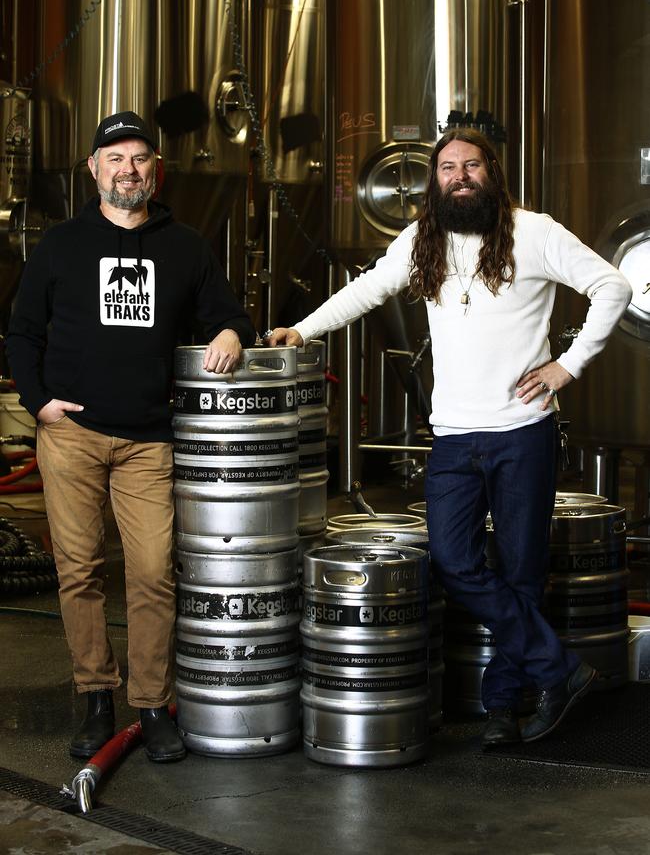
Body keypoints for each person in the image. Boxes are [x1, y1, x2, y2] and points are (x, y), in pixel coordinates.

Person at [268, 127, 632, 748]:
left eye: (471, 165)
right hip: (456, 438)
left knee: (521, 572)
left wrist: (566, 367)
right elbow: (367, 289)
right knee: (456, 563)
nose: (459, 176)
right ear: (434, 182)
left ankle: (501, 710)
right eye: (446, 169)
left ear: (492, 171)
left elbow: (614, 286)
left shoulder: (534, 232)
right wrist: (302, 331)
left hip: (523, 432)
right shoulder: (421, 240)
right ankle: (559, 670)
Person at [6, 110, 256, 763]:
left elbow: (227, 312)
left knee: (151, 573)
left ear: (156, 170)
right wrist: (40, 405)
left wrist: (231, 331)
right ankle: (95, 697)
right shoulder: (61, 245)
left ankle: (150, 704)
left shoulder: (185, 246)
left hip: (149, 441)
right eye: (115, 158)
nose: (128, 169)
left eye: (140, 157)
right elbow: (21, 331)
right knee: (80, 571)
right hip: (73, 436)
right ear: (93, 169)